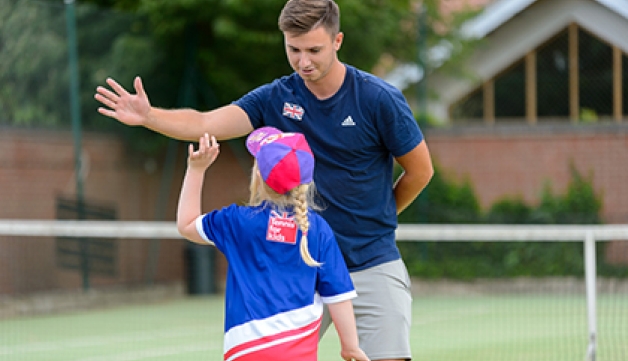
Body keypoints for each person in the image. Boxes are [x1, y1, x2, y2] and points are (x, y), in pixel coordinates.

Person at [95, 0, 434, 359]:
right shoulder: (276, 97)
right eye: (294, 49)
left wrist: (381, 217)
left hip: (371, 263)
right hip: (296, 270)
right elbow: (207, 124)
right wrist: (149, 116)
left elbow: (420, 171)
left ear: (337, 41)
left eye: (314, 50)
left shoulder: (378, 99)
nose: (304, 61)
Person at [177, 128, 370, 361]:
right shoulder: (317, 229)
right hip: (300, 353)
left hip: (245, 350)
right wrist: (350, 347)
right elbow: (338, 296)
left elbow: (186, 224)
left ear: (258, 174)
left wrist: (196, 170)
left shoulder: (238, 221)